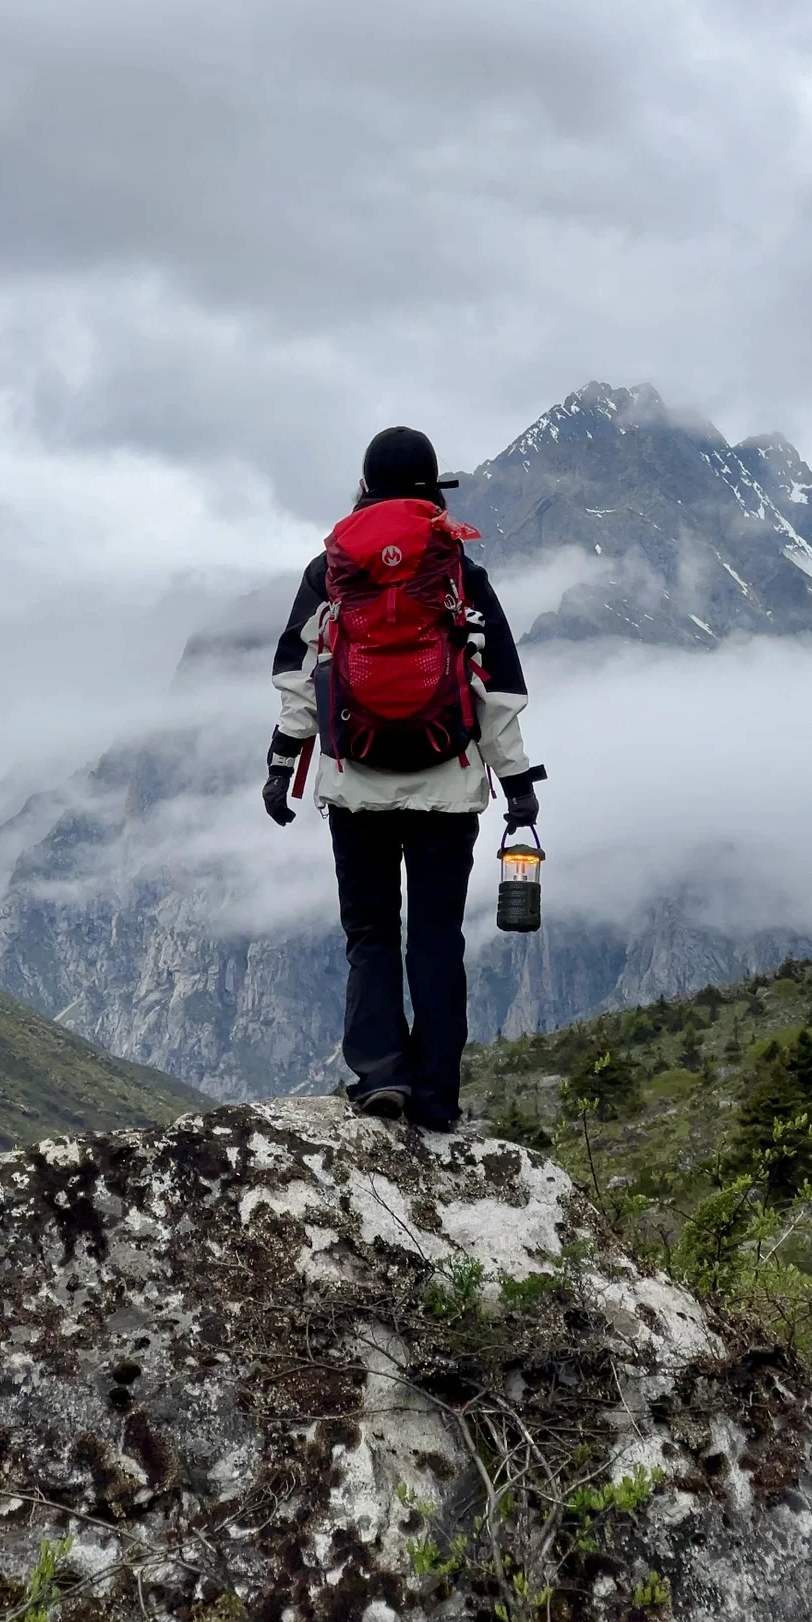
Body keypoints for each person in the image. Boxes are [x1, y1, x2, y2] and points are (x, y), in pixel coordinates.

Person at [262, 426, 543, 1131]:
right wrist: (517, 786)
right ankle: (438, 1099)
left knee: (370, 934)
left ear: (364, 488)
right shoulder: (456, 570)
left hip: (355, 784)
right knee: (438, 941)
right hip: (447, 789)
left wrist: (280, 766)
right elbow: (496, 692)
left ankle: (381, 1075)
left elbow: (299, 681)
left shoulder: (330, 571)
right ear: (431, 492)